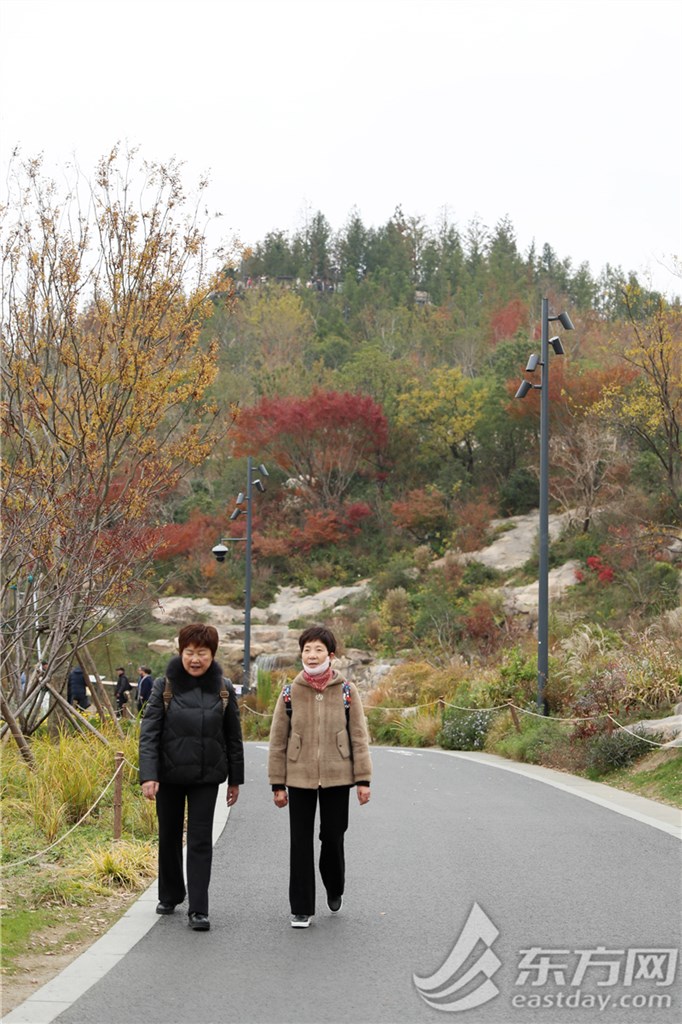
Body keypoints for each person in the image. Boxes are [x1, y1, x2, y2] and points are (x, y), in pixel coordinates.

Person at [138, 624, 244, 932]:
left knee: (200, 841)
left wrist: (235, 780)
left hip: (206, 777)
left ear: (212, 654)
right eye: (189, 652)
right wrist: (149, 775)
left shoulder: (223, 688)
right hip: (169, 776)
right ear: (180, 652)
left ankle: (199, 908)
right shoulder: (165, 685)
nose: (195, 659)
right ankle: (170, 894)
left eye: (202, 653)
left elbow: (233, 737)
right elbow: (150, 733)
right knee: (169, 836)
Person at [268, 625, 372, 929]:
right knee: (300, 842)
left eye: (318, 650)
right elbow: (277, 740)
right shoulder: (289, 692)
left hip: (338, 777)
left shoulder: (347, 691)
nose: (311, 656)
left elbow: (359, 737)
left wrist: (363, 780)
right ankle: (301, 908)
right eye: (306, 650)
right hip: (298, 777)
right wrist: (277, 783)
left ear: (331, 655)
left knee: (333, 836)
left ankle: (335, 884)